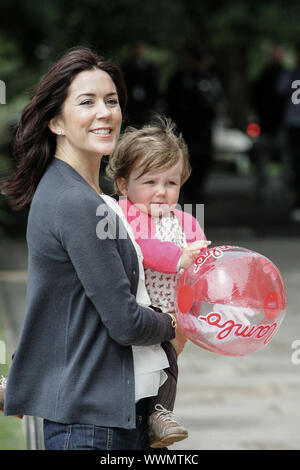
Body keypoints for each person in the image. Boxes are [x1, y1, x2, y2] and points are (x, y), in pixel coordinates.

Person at [0, 47, 177, 451]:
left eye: (111, 101)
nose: (105, 112)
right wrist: (171, 324)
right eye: (87, 102)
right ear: (57, 122)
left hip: (103, 414)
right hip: (90, 426)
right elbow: (125, 321)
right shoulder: (74, 201)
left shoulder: (86, 196)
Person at [106, 115, 211, 447]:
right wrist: (179, 257)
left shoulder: (186, 221)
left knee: (169, 363)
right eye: (150, 182)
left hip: (172, 316)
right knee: (139, 372)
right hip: (137, 311)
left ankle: (160, 413)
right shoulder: (124, 215)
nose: (162, 192)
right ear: (123, 185)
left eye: (171, 183)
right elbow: (142, 248)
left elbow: (201, 265)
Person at [166, 45, 223, 202]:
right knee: (186, 159)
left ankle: (197, 191)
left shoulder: (210, 79)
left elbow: (216, 102)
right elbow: (174, 103)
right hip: (187, 128)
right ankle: (187, 191)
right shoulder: (181, 78)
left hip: (204, 128)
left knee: (203, 160)